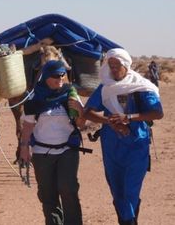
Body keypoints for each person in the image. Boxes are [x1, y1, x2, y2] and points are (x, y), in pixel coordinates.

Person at [84, 48, 164, 225]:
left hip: (136, 144)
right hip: (111, 145)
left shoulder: (141, 86)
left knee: (130, 191)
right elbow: (87, 112)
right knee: (117, 189)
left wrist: (128, 118)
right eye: (110, 65)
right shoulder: (105, 87)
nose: (113, 69)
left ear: (126, 65)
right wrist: (109, 121)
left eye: (117, 65)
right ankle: (127, 220)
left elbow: (157, 113)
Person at [20, 60, 85, 225]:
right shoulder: (34, 98)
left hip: (67, 150)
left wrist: (80, 110)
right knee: (47, 194)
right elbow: (28, 126)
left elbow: (80, 124)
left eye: (63, 74)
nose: (60, 78)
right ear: (47, 76)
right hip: (42, 153)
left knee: (68, 188)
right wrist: (23, 148)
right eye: (56, 75)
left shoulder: (70, 94)